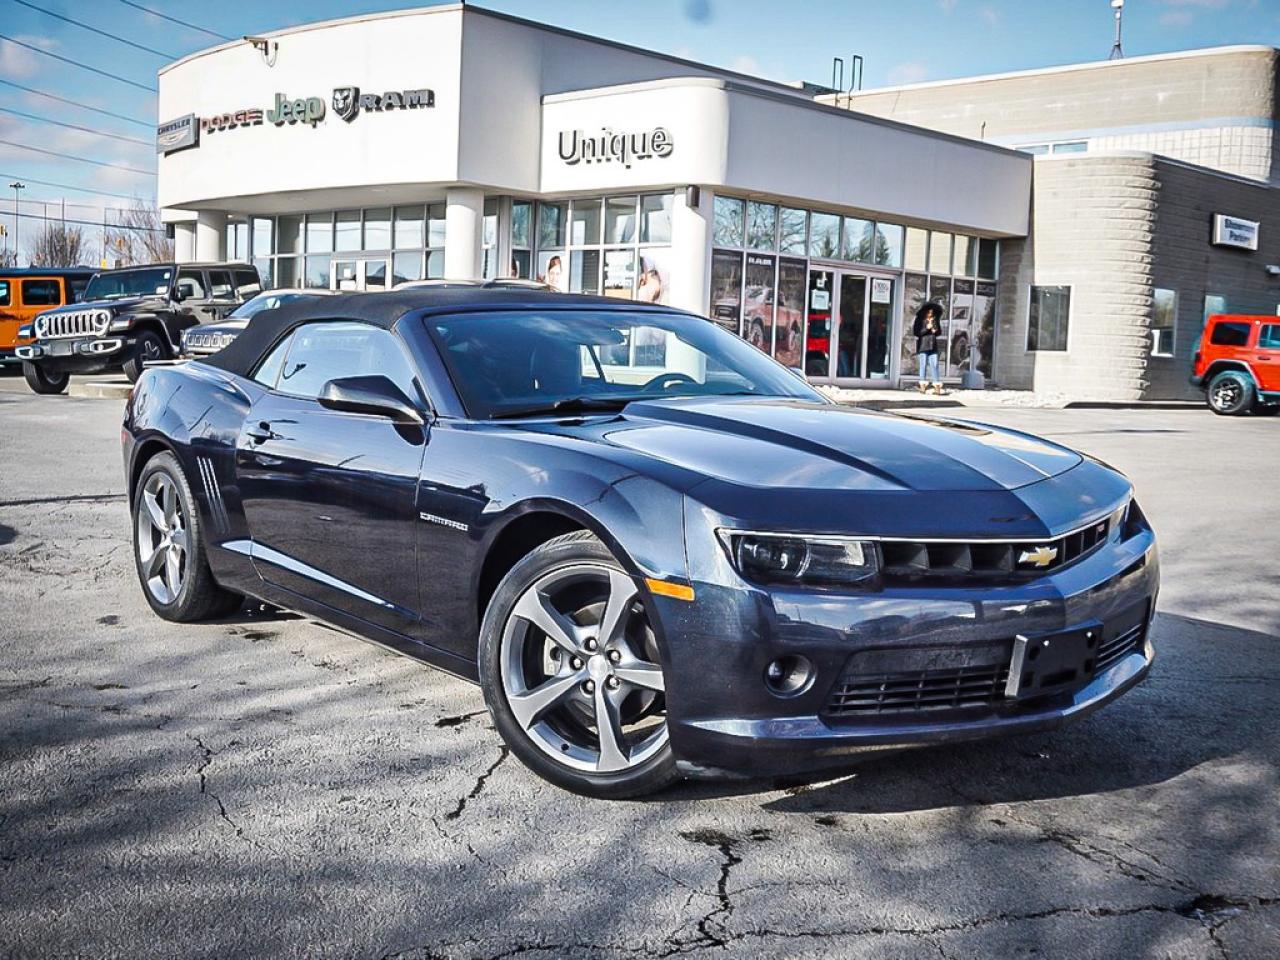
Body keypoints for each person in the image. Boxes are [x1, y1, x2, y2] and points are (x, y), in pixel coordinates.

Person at [912, 302, 944, 395]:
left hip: (933, 346)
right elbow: (917, 332)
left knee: (935, 365)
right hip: (923, 345)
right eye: (929, 312)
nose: (930, 314)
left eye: (932, 313)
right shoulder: (920, 320)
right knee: (923, 365)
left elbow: (939, 333)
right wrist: (926, 328)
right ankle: (922, 386)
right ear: (925, 312)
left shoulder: (935, 320)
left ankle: (937, 386)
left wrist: (935, 330)